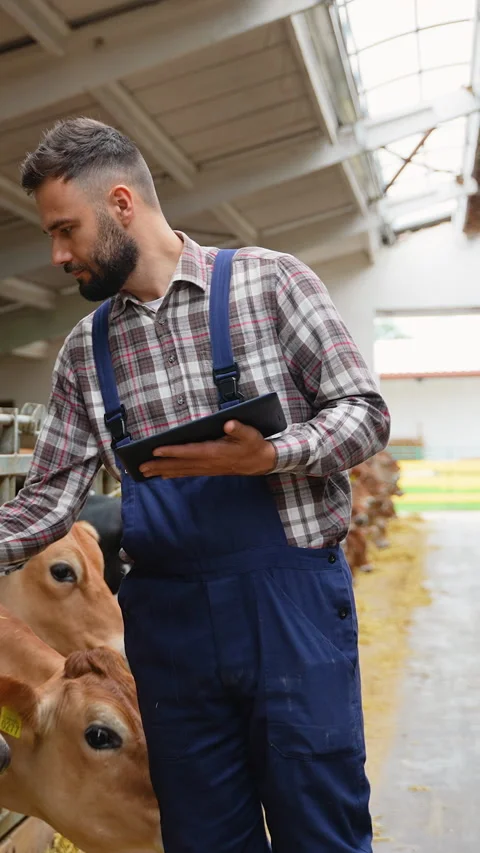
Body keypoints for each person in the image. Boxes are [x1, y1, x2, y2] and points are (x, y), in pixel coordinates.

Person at [0, 118, 390, 853]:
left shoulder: (271, 284)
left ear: (120, 204)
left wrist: (269, 455)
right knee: (202, 838)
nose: (57, 254)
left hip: (289, 610)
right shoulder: (87, 349)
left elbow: (366, 415)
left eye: (65, 229)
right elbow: (46, 501)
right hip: (171, 627)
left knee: (321, 825)